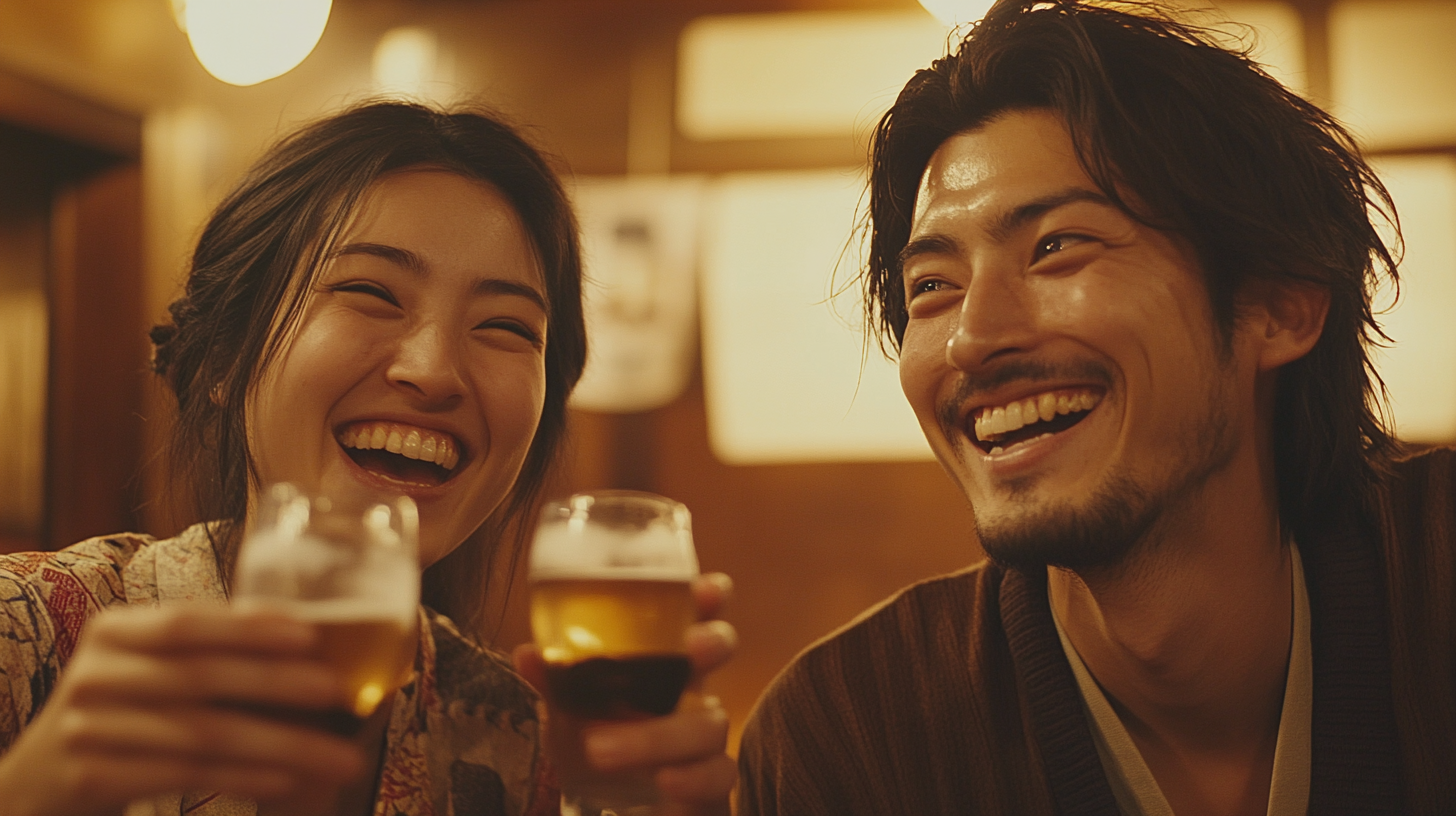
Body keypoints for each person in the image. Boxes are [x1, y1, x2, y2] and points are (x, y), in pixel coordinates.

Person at [737, 1, 1455, 813]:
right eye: (932, 287)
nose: (973, 337)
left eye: (1056, 247)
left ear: (1280, 308)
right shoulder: (850, 735)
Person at [0, 101, 736, 816]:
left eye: (507, 326)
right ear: (224, 354)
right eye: (370, 292)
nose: (434, 369)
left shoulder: (531, 755)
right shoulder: (24, 636)